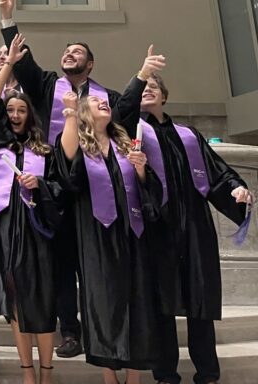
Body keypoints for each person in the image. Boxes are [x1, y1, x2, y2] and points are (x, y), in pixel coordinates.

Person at [114, 58, 253, 384]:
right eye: (143, 87)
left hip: (194, 227)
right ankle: (166, 375)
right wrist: (141, 74)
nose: (147, 90)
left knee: (200, 300)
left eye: (153, 86)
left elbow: (217, 171)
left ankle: (208, 374)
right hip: (157, 227)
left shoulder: (189, 135)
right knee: (161, 304)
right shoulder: (133, 130)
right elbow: (120, 112)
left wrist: (236, 188)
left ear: (164, 96)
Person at [0, 0, 119, 359]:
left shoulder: (106, 98)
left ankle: (105, 330)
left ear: (90, 64)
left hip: (94, 187)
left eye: (77, 52)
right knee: (64, 264)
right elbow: (25, 65)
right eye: (67, 51)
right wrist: (8, 20)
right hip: (55, 186)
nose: (70, 54)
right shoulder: (49, 85)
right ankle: (71, 331)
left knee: (95, 262)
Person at [58, 89, 165, 382]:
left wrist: (141, 170)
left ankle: (134, 377)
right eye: (95, 101)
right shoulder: (79, 144)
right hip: (95, 235)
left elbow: (146, 189)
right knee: (102, 303)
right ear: (84, 113)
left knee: (137, 301)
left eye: (104, 101)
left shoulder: (124, 144)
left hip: (132, 234)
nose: (103, 102)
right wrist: (70, 113)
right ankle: (109, 376)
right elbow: (66, 167)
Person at [0, 36, 63, 384]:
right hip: (4, 230)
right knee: (13, 300)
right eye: (10, 110)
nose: (14, 115)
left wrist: (38, 184)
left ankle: (47, 372)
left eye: (21, 110)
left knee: (41, 299)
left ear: (30, 115)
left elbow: (60, 190)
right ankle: (27, 371)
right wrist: (8, 65)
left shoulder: (45, 151)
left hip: (37, 232)